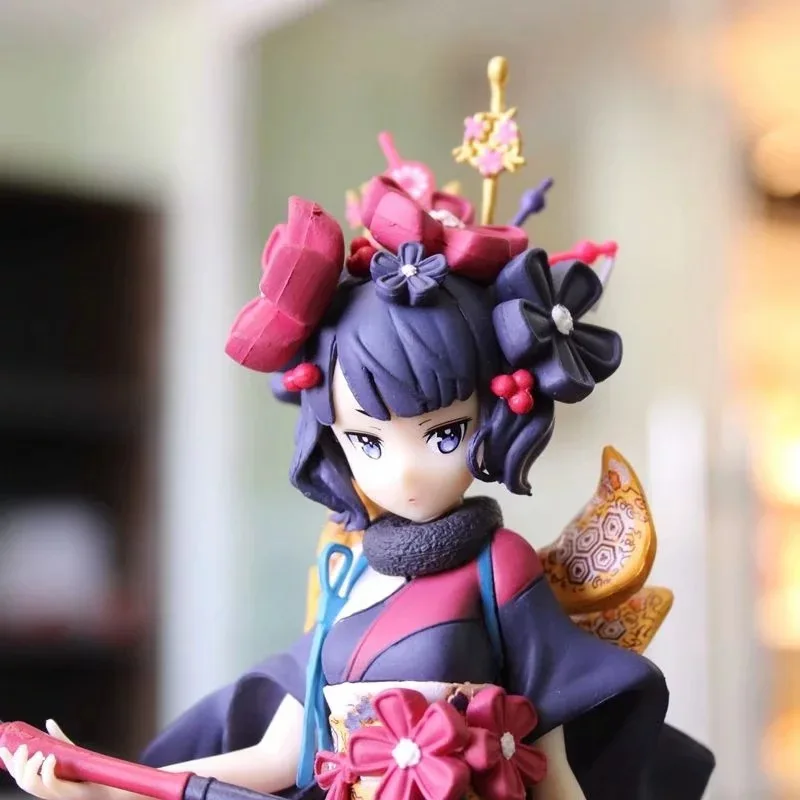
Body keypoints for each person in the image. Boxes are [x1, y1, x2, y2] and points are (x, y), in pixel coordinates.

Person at [0, 57, 709, 800]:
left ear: (495, 411)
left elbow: (552, 766)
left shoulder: (498, 568)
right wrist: (107, 786)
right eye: (367, 440)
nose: (404, 471)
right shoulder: (347, 576)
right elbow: (279, 757)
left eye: (443, 434)